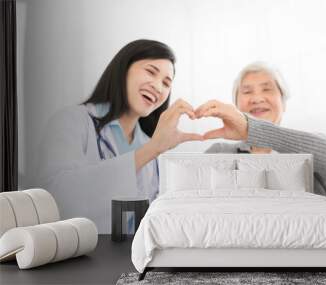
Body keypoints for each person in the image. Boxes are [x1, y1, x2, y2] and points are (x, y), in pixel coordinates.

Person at [36, 39, 202, 232]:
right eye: (150, 71)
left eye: (166, 83)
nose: (158, 87)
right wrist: (151, 150)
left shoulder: (150, 146)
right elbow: (57, 198)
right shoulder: (72, 121)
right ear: (123, 68)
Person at [196, 62, 326, 196]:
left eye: (267, 89)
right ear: (235, 106)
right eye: (247, 92)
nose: (257, 99)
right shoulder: (220, 152)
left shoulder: (309, 146)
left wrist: (252, 130)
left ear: (283, 102)